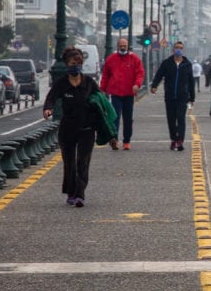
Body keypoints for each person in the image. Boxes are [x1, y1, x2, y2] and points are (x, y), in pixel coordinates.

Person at [43, 47, 102, 207]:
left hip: (87, 129)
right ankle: (70, 191)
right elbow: (51, 98)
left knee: (83, 162)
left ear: (81, 64)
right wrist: (48, 109)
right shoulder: (61, 83)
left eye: (78, 63)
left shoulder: (89, 82)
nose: (75, 66)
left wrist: (107, 128)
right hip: (67, 129)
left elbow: (101, 101)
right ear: (67, 64)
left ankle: (80, 194)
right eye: (72, 63)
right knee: (69, 163)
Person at [99, 37, 145, 150]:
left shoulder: (134, 59)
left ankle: (127, 141)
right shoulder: (111, 59)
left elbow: (140, 73)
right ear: (118, 46)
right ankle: (114, 139)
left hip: (129, 94)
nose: (123, 48)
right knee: (115, 117)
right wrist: (102, 89)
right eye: (121, 46)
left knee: (128, 118)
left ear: (127, 46)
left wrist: (137, 84)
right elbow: (105, 75)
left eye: (125, 46)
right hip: (115, 93)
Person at [151, 41, 197, 151]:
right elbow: (159, 75)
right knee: (171, 119)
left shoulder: (187, 64)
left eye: (180, 48)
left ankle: (180, 141)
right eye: (177, 47)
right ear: (173, 50)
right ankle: (173, 139)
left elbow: (191, 82)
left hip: (182, 97)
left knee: (181, 118)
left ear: (183, 50)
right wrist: (154, 86)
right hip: (170, 96)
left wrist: (192, 98)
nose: (178, 49)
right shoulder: (167, 63)